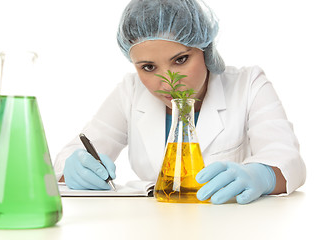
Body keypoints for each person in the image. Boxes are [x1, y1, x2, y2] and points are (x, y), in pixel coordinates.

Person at [54, 0, 306, 204]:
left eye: (181, 60)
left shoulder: (248, 84)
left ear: (206, 49)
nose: (166, 82)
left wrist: (261, 175)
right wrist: (76, 168)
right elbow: (72, 156)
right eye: (148, 67)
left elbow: (286, 158)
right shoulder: (130, 91)